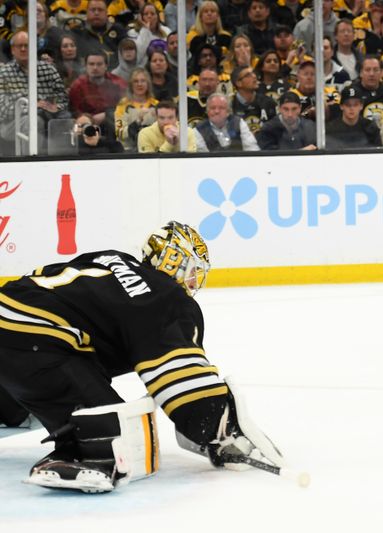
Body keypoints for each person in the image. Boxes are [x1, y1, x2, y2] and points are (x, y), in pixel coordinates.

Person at [0, 221, 287, 493]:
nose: (193, 280)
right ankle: (81, 454)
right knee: (120, 440)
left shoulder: (109, 258)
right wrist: (217, 426)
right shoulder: (163, 296)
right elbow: (176, 371)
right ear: (175, 263)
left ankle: (7, 411)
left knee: (56, 367)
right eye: (192, 270)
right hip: (34, 340)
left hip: (12, 318)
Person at [0, 31, 70, 154]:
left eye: (27, 45)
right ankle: (32, 160)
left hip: (48, 116)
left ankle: (63, 161)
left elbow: (63, 99)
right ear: (12, 50)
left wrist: (52, 107)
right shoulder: (3, 73)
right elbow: (4, 110)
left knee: (65, 119)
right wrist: (34, 107)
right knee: (34, 120)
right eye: (19, 46)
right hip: (12, 123)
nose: (23, 49)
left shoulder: (48, 69)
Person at [194, 93, 260, 152]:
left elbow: (252, 149)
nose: (217, 111)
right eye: (213, 108)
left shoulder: (239, 123)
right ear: (207, 111)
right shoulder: (199, 129)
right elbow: (202, 157)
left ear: (228, 112)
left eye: (221, 108)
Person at [114, 67, 159, 151]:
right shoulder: (122, 105)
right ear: (131, 84)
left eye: (143, 81)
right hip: (128, 150)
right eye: (136, 81)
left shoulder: (156, 105)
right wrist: (137, 122)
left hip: (151, 149)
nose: (139, 84)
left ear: (148, 84)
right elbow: (119, 133)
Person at [231, 65, 277, 134]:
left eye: (253, 73)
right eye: (248, 75)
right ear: (238, 83)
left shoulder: (268, 102)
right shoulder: (229, 104)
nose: (254, 76)